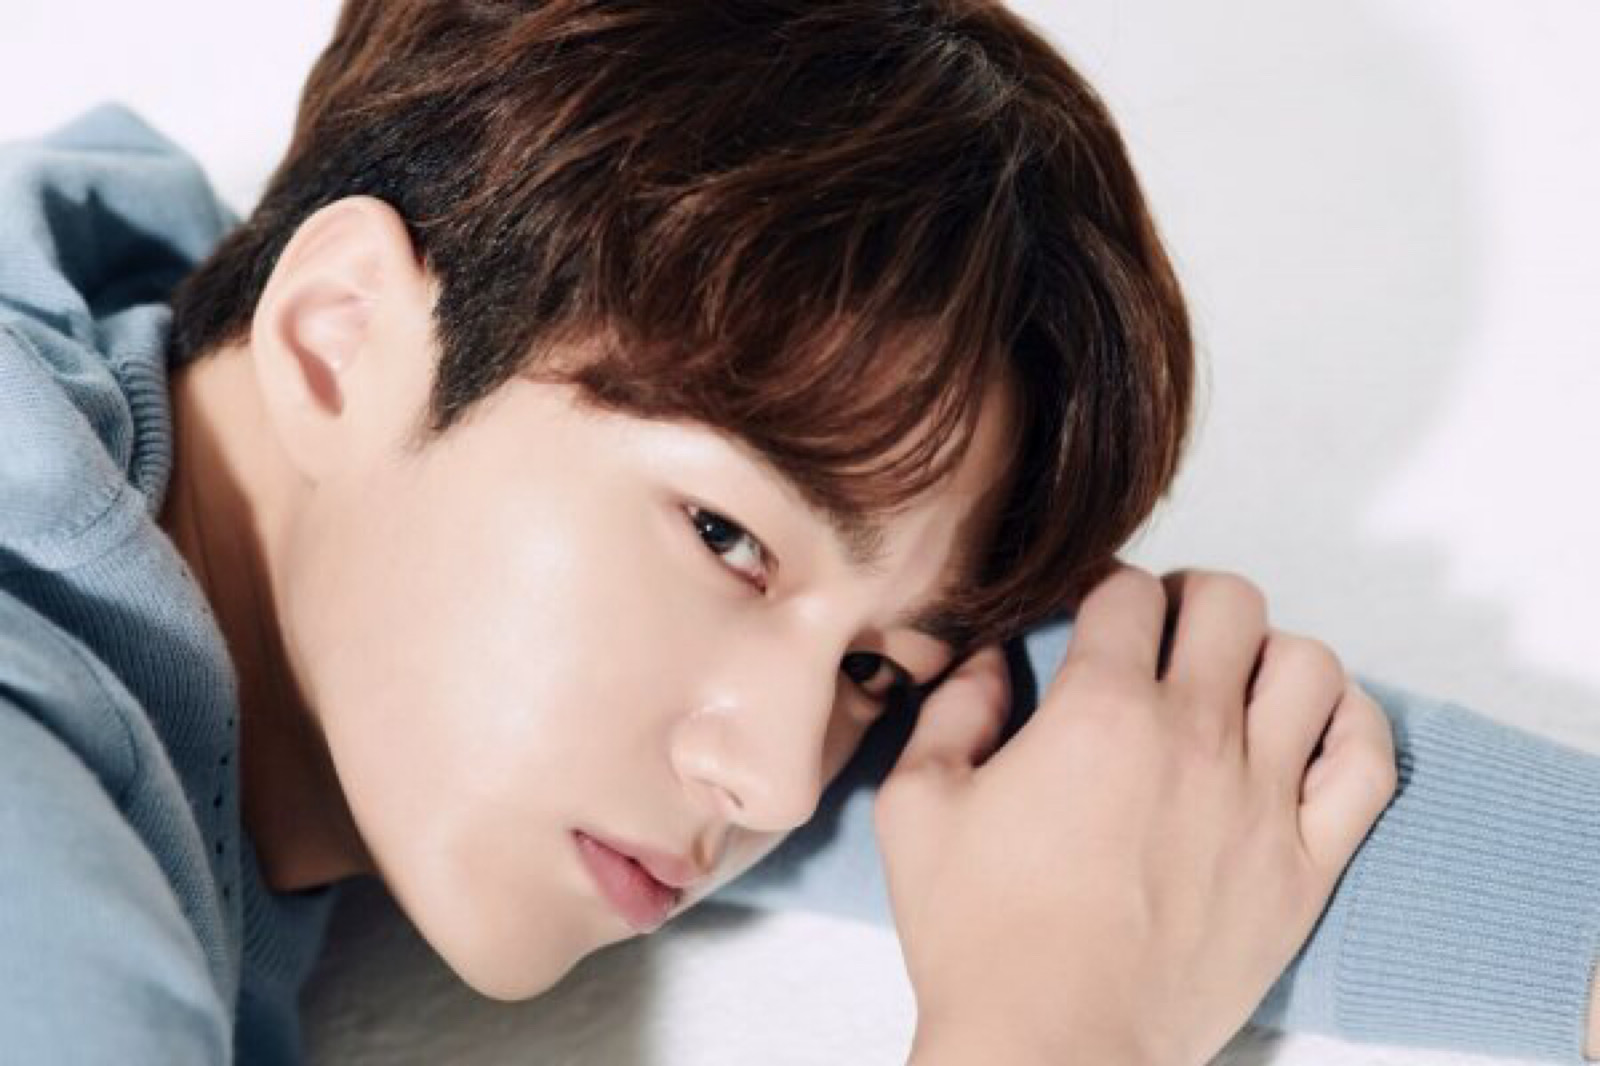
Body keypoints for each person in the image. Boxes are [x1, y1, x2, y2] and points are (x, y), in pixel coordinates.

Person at [0, 2, 1594, 1064]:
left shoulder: (208, 404)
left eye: (876, 672)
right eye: (726, 536)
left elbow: (1162, 794)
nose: (776, 778)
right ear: (336, 337)